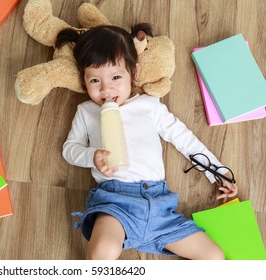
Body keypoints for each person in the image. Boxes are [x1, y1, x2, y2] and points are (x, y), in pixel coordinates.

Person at [56, 24, 238, 260]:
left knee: (214, 257)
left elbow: (183, 138)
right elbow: (69, 150)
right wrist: (92, 155)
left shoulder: (149, 106)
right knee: (104, 250)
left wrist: (219, 173)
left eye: (115, 77)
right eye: (94, 81)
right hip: (115, 203)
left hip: (160, 208)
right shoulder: (87, 111)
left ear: (135, 73)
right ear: (84, 81)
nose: (106, 89)